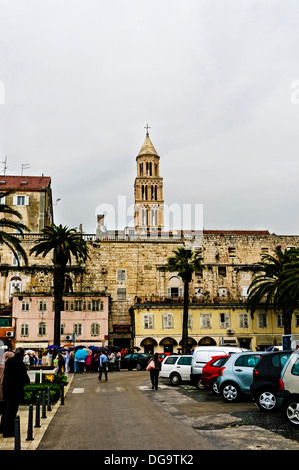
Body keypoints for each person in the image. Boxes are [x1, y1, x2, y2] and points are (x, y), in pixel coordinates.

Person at [1, 348, 30, 437]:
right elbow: (25, 379)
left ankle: (3, 429)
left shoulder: (9, 362)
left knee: (6, 411)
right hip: (15, 391)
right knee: (12, 411)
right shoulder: (20, 364)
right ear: (22, 355)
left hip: (6, 390)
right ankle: (8, 431)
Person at [0, 351, 15, 434]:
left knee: (4, 411)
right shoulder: (5, 368)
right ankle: (4, 429)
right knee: (5, 411)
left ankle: (2, 428)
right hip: (3, 393)